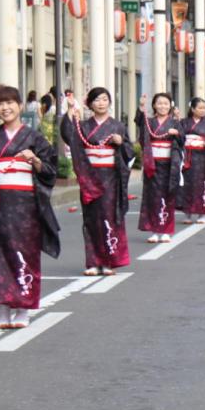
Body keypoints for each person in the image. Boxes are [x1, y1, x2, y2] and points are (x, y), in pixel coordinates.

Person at [0, 86, 60, 330]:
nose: (5, 108)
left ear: (19, 105)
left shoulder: (34, 137)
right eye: (0, 104)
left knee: (24, 254)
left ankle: (23, 309)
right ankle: (4, 310)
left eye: (10, 102)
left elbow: (50, 170)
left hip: (26, 205)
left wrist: (34, 160)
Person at [61, 87, 133, 276]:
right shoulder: (83, 126)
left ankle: (108, 261)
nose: (101, 103)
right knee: (91, 218)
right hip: (90, 176)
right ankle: (93, 262)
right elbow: (69, 135)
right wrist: (70, 110)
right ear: (90, 104)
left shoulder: (118, 126)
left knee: (110, 216)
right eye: (97, 100)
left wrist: (121, 142)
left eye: (104, 99)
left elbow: (129, 151)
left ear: (110, 102)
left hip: (111, 176)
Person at [135, 93, 181, 243]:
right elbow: (139, 122)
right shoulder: (149, 122)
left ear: (170, 106)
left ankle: (166, 230)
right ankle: (154, 230)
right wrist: (141, 106)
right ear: (154, 105)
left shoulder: (174, 122)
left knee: (168, 195)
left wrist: (177, 133)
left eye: (166, 103)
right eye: (159, 103)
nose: (162, 106)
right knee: (152, 196)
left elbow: (183, 139)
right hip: (152, 163)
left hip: (169, 164)